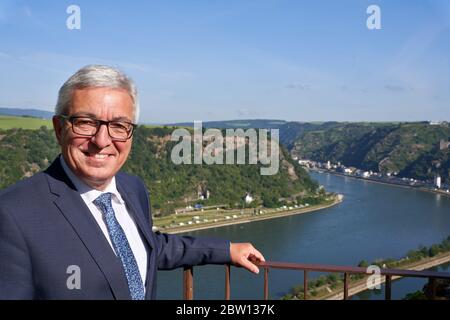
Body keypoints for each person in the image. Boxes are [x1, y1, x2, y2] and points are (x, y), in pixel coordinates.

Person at [0, 65, 265, 300]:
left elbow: (148, 247)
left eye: (118, 125)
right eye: (86, 122)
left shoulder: (132, 188)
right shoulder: (14, 215)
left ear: (131, 134)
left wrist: (225, 249)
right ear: (59, 129)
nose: (102, 140)